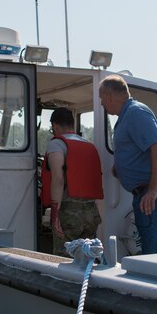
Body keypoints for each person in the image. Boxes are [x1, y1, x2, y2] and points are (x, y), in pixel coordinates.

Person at [98, 75, 157, 254]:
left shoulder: (136, 113)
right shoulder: (127, 115)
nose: (101, 103)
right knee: (151, 247)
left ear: (109, 96)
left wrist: (152, 191)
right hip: (144, 193)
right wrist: (121, 167)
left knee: (155, 252)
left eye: (102, 99)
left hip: (153, 194)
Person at [40, 107, 103, 256]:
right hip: (91, 213)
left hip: (69, 214)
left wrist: (54, 215)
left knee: (64, 258)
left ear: (55, 126)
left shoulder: (56, 144)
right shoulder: (89, 145)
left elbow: (58, 179)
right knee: (87, 257)